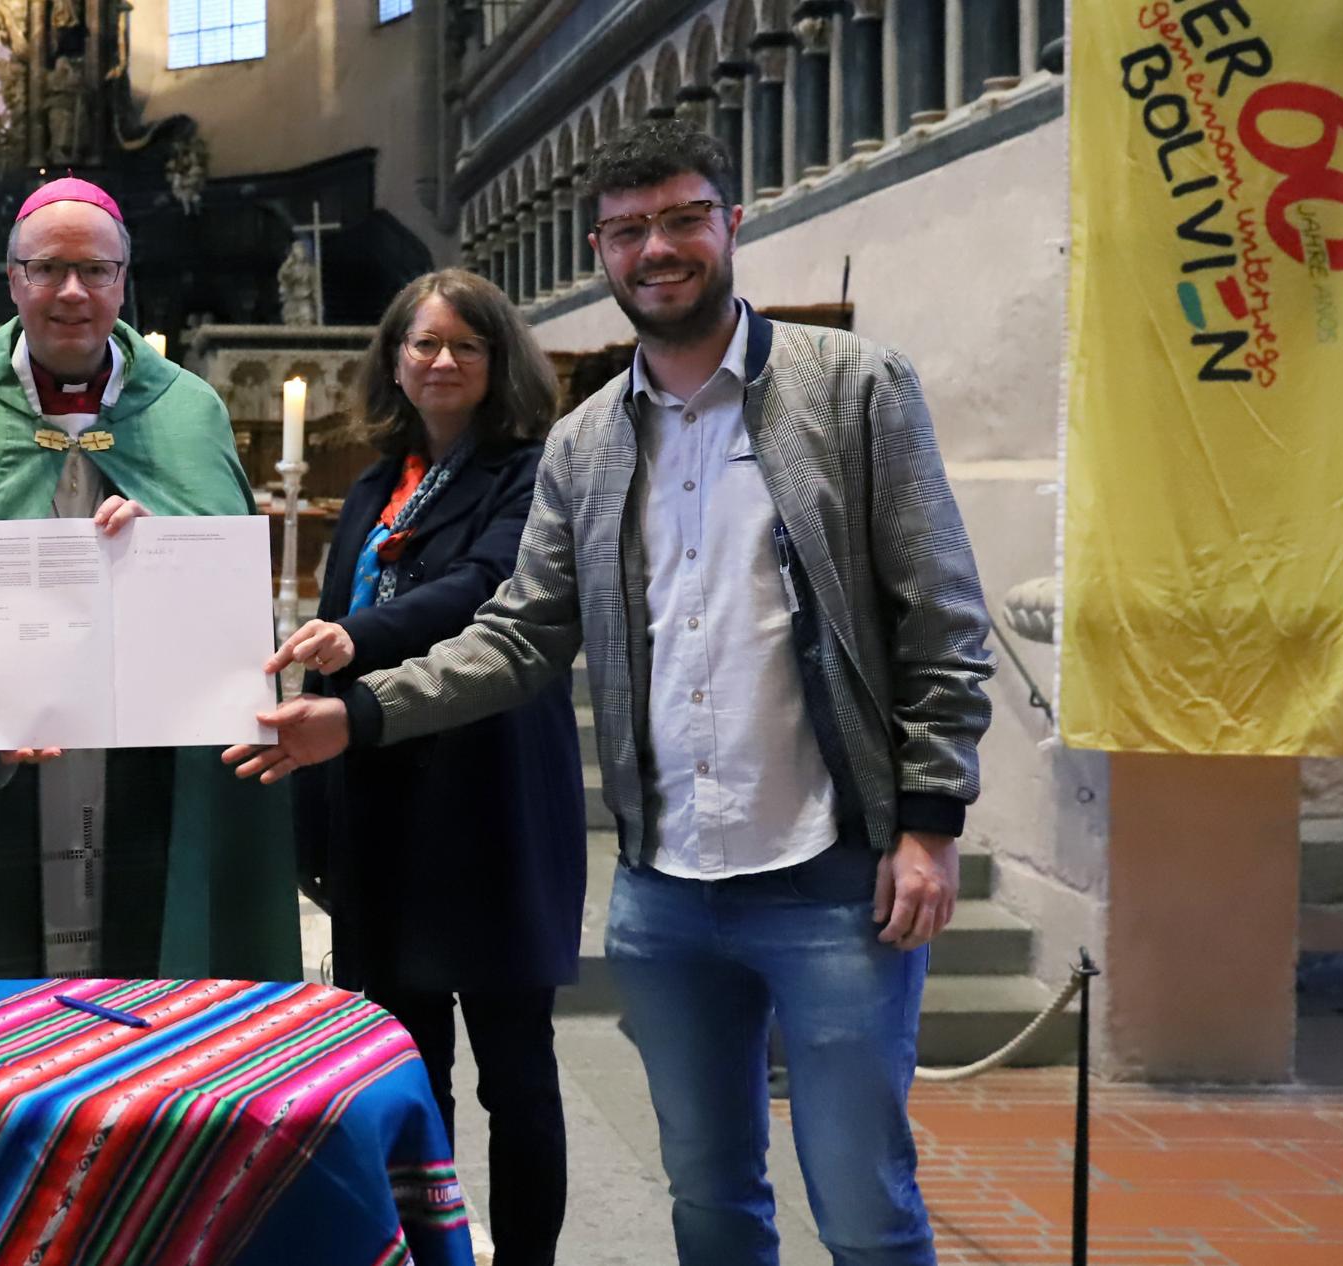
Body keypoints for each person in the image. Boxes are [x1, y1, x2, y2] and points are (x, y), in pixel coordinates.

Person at [227, 119, 996, 1266]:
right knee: (711, 1200)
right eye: (631, 230)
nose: (658, 248)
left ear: (733, 225)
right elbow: (521, 634)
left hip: (832, 876)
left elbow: (940, 620)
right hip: (667, 891)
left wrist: (929, 823)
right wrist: (359, 714)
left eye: (684, 218)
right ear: (600, 250)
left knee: (866, 1206)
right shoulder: (589, 442)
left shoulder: (853, 389)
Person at [0, 176, 299, 986]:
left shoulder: (191, 413)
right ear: (13, 280)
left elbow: (232, 617)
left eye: (97, 271)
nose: (72, 292)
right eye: (47, 270)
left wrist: (165, 555)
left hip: (152, 757)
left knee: (153, 970)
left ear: (124, 281)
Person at [270, 268, 582, 1266]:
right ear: (393, 361)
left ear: (498, 364)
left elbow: (481, 588)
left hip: (488, 795)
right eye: (422, 344)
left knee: (518, 1073)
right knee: (405, 1072)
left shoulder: (530, 473)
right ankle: (427, 1250)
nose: (441, 362)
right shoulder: (372, 484)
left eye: (465, 346)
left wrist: (351, 637)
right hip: (381, 804)